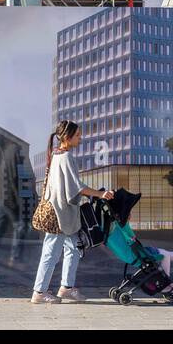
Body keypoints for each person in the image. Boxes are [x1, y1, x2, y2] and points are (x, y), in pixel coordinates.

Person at [32, 120, 113, 304]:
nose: (80, 138)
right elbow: (76, 188)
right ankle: (39, 292)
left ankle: (66, 288)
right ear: (67, 138)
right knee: (50, 253)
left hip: (64, 214)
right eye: (77, 135)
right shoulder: (65, 157)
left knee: (74, 249)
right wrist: (101, 194)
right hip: (59, 215)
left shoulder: (57, 154)